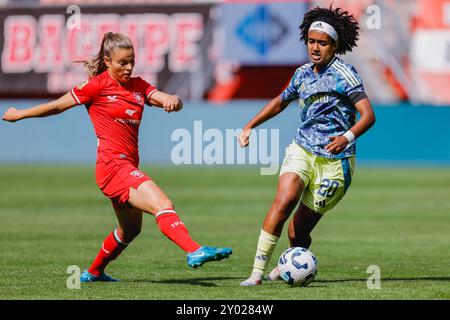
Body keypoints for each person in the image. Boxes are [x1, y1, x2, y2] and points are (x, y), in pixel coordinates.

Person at [2, 32, 232, 282]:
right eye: (123, 62)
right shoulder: (96, 86)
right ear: (108, 61)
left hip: (125, 167)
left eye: (132, 61)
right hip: (112, 166)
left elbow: (163, 97)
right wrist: (20, 114)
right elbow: (57, 105)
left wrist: (174, 101)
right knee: (163, 204)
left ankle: (94, 272)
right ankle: (193, 250)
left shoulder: (139, 85)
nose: (129, 67)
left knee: (130, 230)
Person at [238, 6, 375, 286]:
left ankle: (289, 265)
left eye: (322, 43)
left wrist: (345, 137)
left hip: (336, 163)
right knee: (283, 201)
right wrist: (250, 125)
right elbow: (280, 101)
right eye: (311, 41)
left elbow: (368, 115)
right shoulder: (301, 74)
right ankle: (256, 274)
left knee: (297, 232)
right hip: (302, 149)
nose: (315, 47)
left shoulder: (345, 74)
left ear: (334, 45)